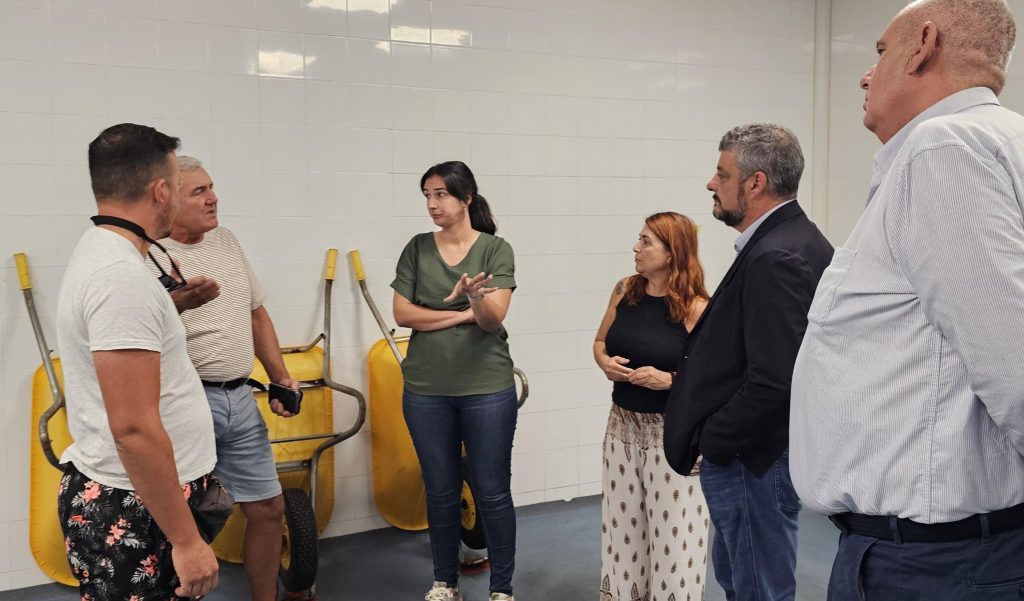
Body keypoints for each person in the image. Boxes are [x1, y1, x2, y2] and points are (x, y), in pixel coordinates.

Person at [790, 1, 1024, 598]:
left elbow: (1015, 365)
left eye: (879, 52)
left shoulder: (944, 148)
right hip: (945, 553)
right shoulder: (999, 142)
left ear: (923, 44)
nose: (866, 75)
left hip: (931, 564)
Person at [663, 124, 834, 601]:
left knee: (757, 587)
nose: (710, 184)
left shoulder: (777, 255)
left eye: (722, 173)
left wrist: (713, 437)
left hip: (753, 460)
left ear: (755, 183)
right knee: (742, 579)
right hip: (753, 456)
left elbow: (776, 380)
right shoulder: (789, 240)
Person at [55, 123, 220, 600]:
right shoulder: (120, 277)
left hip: (137, 497)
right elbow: (133, 429)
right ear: (161, 190)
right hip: (136, 507)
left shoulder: (105, 253)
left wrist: (174, 305)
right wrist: (186, 540)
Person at [149, 155, 301, 601]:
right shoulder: (152, 255)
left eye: (211, 187)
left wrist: (280, 378)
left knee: (269, 508)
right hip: (185, 405)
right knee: (179, 523)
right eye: (198, 192)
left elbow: (256, 313)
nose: (213, 198)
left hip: (239, 399)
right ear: (167, 199)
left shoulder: (227, 241)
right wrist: (175, 303)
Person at [391, 161, 518, 601]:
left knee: (492, 491)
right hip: (426, 389)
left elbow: (492, 320)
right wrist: (460, 313)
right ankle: (445, 582)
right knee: (441, 491)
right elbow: (402, 314)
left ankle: (502, 588)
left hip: (486, 388)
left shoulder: (495, 250)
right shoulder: (417, 248)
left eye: (441, 194)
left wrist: (477, 301)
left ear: (466, 198)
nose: (432, 203)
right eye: (427, 194)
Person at [594, 212, 711, 601]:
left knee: (676, 536)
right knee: (622, 529)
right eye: (638, 239)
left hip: (674, 432)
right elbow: (600, 342)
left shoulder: (696, 307)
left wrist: (670, 381)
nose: (636, 248)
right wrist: (605, 363)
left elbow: (717, 377)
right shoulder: (625, 290)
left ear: (671, 253)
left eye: (646, 242)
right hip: (622, 428)